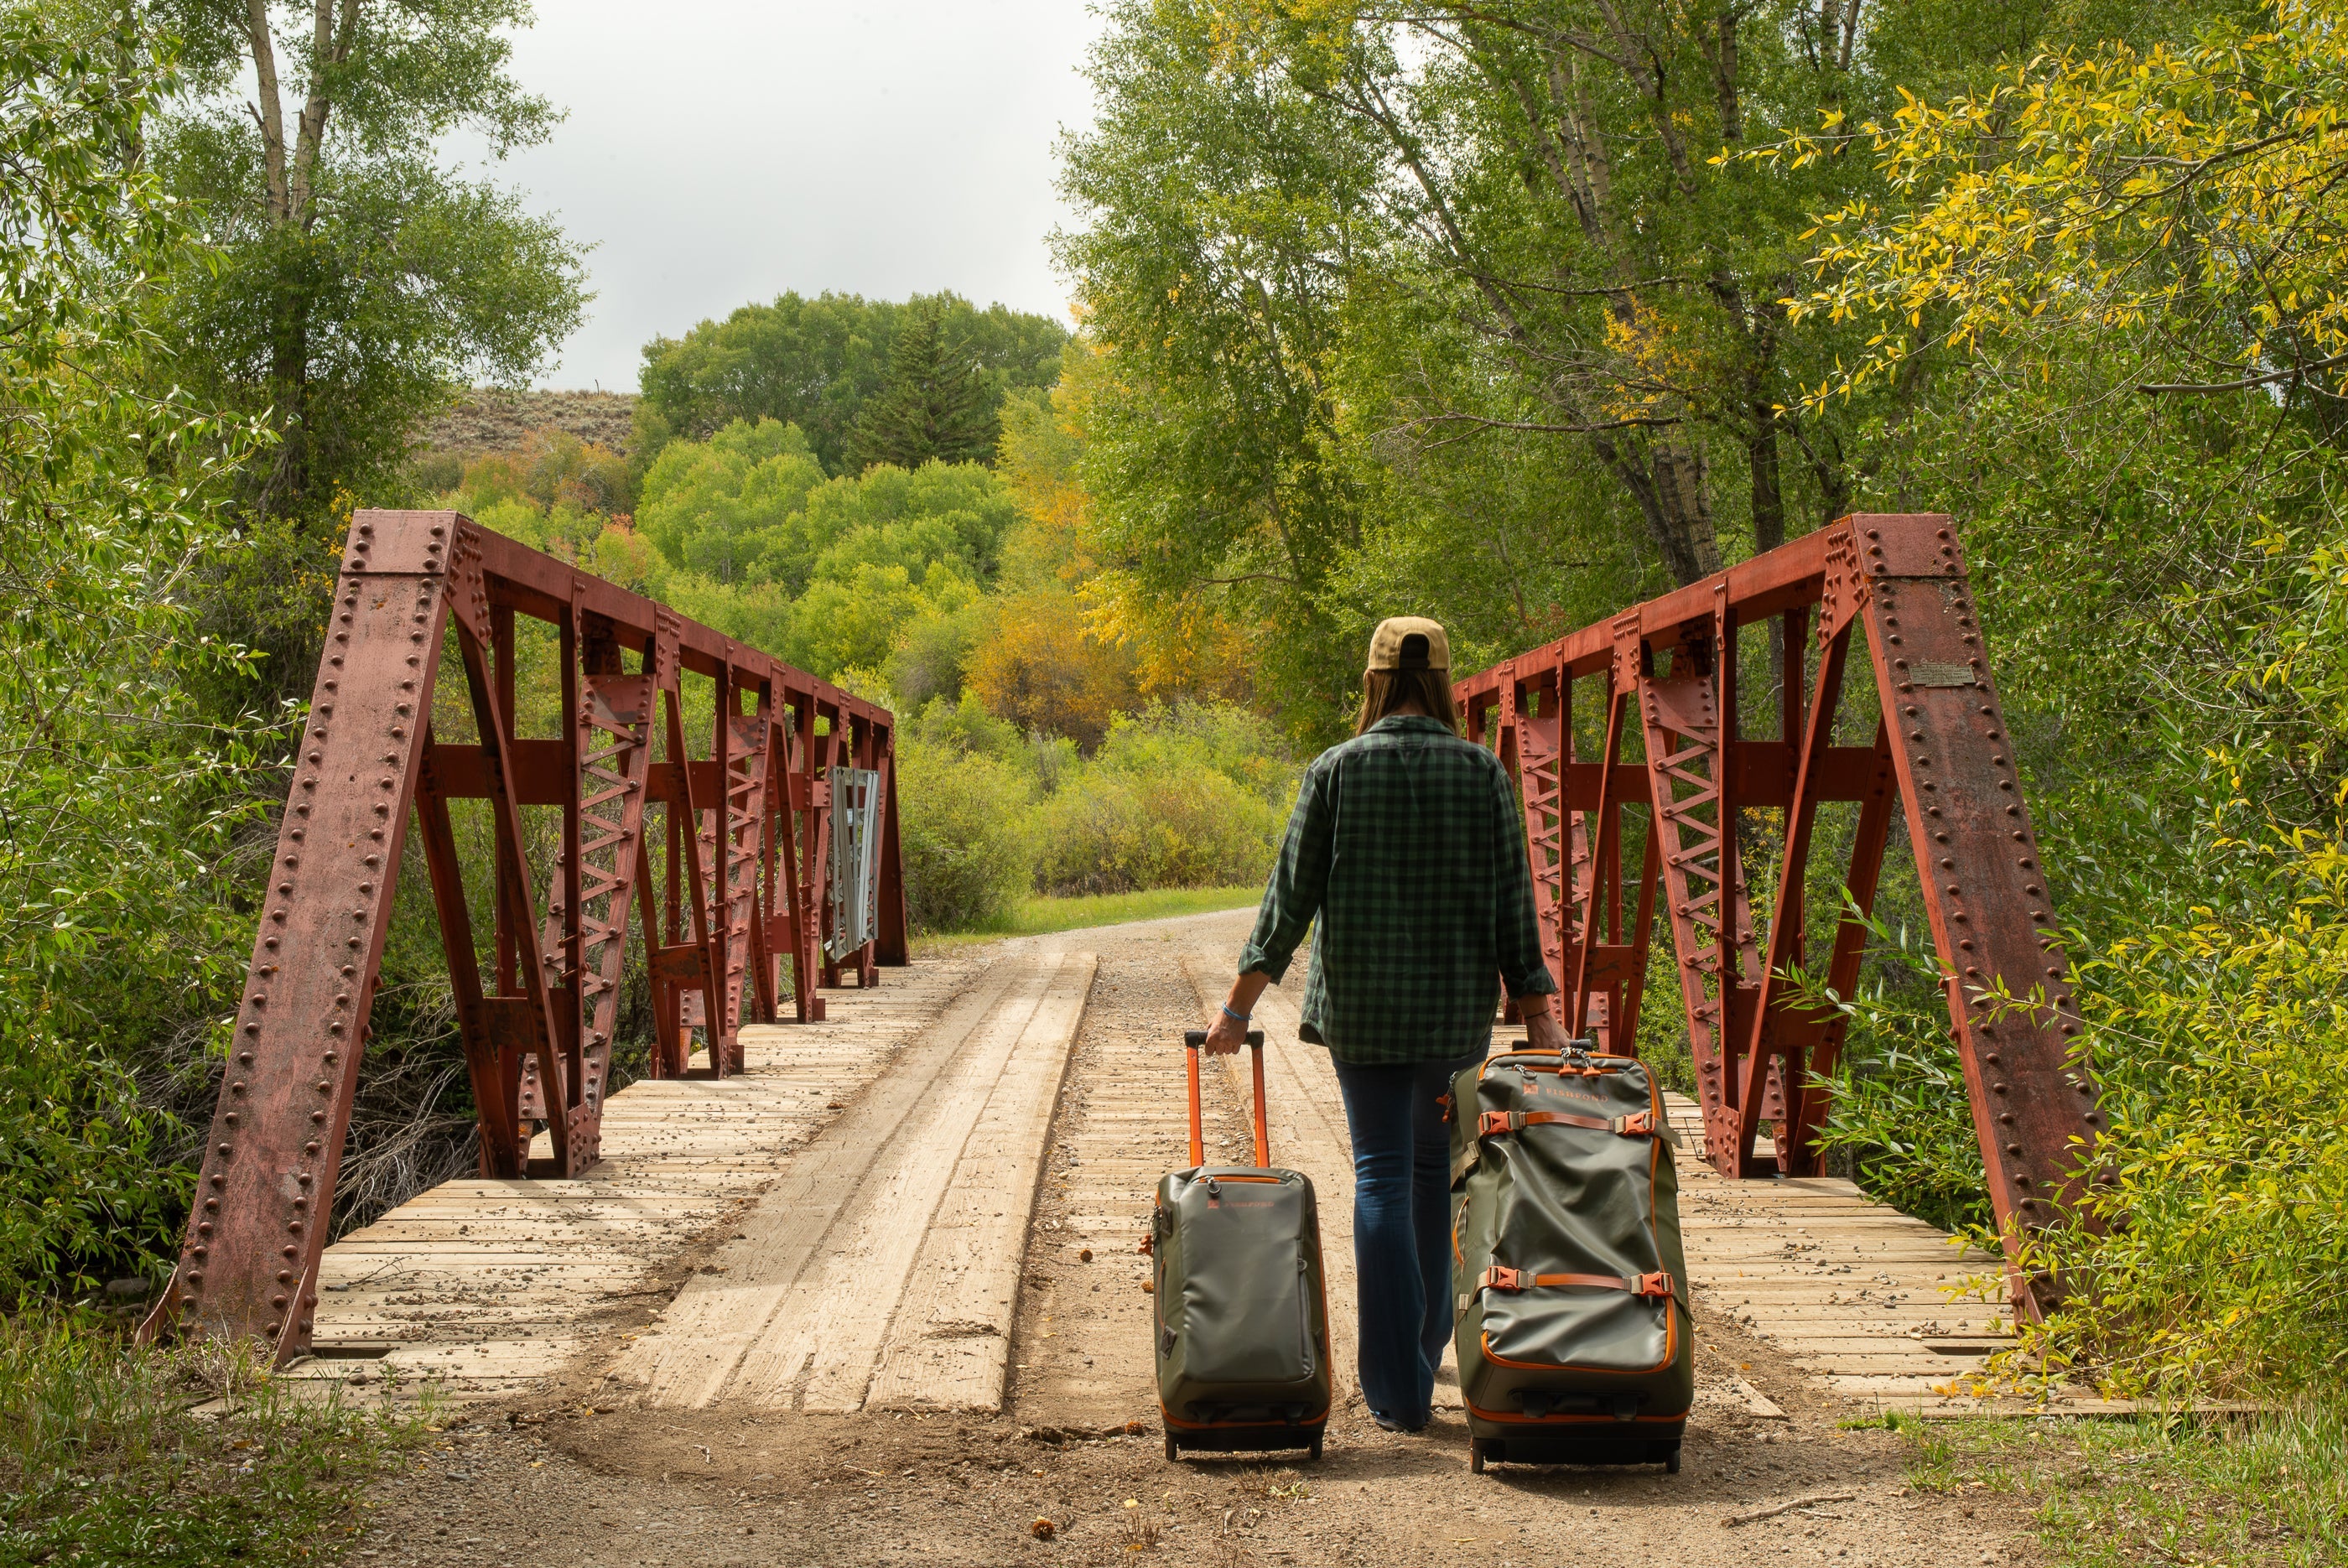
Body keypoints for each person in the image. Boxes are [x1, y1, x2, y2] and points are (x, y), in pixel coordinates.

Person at [1202, 615, 1566, 1435]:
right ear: (1443, 681)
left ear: (1372, 680)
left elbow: (1286, 900)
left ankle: (1398, 1391)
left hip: (1363, 1009)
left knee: (1380, 1172)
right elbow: (1514, 902)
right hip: (1451, 1011)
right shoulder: (1481, 773)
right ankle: (1425, 1343)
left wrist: (1237, 1008)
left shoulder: (1336, 770)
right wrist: (1539, 1010)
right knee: (1433, 1170)